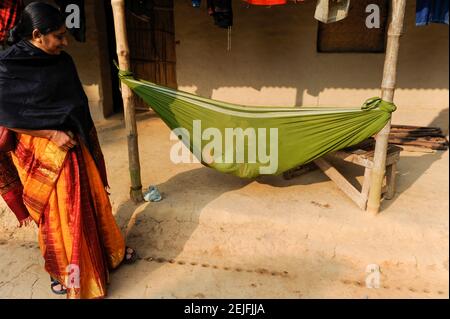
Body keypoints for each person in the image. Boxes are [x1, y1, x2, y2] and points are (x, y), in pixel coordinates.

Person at [0, 2, 137, 299]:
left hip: (73, 143)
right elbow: (6, 115)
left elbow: (75, 104)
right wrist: (50, 133)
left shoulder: (62, 61)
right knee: (58, 215)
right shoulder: (7, 67)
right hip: (41, 153)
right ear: (37, 34)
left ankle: (107, 254)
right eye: (59, 36)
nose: (65, 41)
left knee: (88, 201)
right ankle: (64, 271)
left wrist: (69, 133)